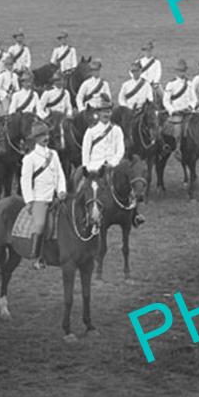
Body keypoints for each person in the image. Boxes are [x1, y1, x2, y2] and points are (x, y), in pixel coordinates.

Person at [18, 120, 66, 270]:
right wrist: (30, 201)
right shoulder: (30, 158)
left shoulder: (54, 154)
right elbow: (25, 181)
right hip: (40, 198)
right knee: (40, 225)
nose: (46, 138)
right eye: (41, 136)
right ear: (35, 139)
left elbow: (60, 174)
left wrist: (62, 190)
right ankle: (38, 256)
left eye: (46, 134)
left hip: (56, 196)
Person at [73, 97, 124, 230]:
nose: (106, 115)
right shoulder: (91, 131)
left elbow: (120, 150)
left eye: (108, 112)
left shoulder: (117, 130)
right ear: (99, 114)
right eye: (103, 112)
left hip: (111, 166)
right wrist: (86, 168)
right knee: (81, 188)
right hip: (94, 167)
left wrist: (113, 163)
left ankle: (133, 214)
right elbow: (85, 150)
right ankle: (81, 214)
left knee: (127, 185)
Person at [162, 59, 197, 146]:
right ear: (176, 71)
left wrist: (191, 107)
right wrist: (172, 110)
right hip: (177, 112)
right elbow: (166, 100)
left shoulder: (190, 83)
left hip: (188, 112)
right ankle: (177, 148)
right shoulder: (171, 84)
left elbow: (194, 99)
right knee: (178, 130)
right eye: (180, 71)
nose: (182, 73)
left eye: (183, 71)